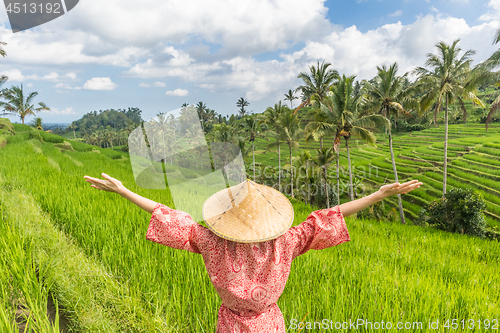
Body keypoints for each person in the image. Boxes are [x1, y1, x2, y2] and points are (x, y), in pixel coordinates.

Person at [84, 173, 422, 332]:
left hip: (230, 324)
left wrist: (125, 191)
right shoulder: (285, 242)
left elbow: (170, 217)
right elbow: (326, 217)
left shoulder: (212, 242)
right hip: (271, 324)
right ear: (269, 218)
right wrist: (377, 195)